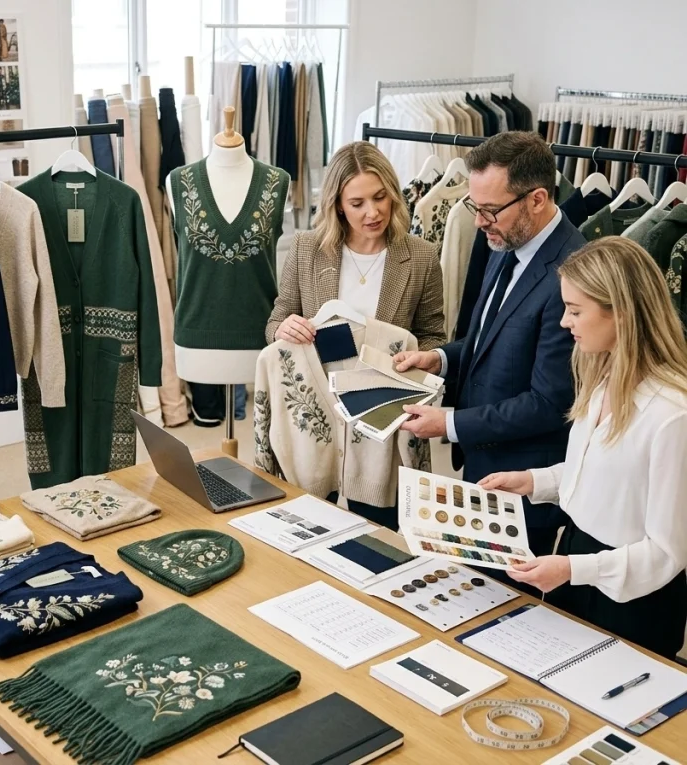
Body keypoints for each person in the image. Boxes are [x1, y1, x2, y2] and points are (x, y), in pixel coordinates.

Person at [480, 237, 687, 658]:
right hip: (575, 560)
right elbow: (600, 473)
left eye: (575, 311)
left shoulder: (672, 416)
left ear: (622, 314)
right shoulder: (605, 375)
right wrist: (532, 481)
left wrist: (575, 569)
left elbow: (667, 553)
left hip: (633, 597)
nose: (563, 322)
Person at [394, 132, 585, 582]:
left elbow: (550, 400)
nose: (480, 222)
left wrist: (449, 423)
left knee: (505, 615)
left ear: (537, 199)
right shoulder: (507, 242)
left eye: (489, 210)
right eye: (474, 209)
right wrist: (439, 358)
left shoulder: (572, 273)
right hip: (484, 469)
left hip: (526, 484)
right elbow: (490, 341)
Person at [266, 140, 446, 528]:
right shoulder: (306, 249)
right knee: (307, 520)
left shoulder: (420, 256)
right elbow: (276, 320)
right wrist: (282, 327)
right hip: (317, 416)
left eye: (380, 197)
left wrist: (418, 361)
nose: (373, 212)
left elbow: (433, 335)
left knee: (380, 529)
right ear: (337, 205)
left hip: (382, 420)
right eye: (358, 203)